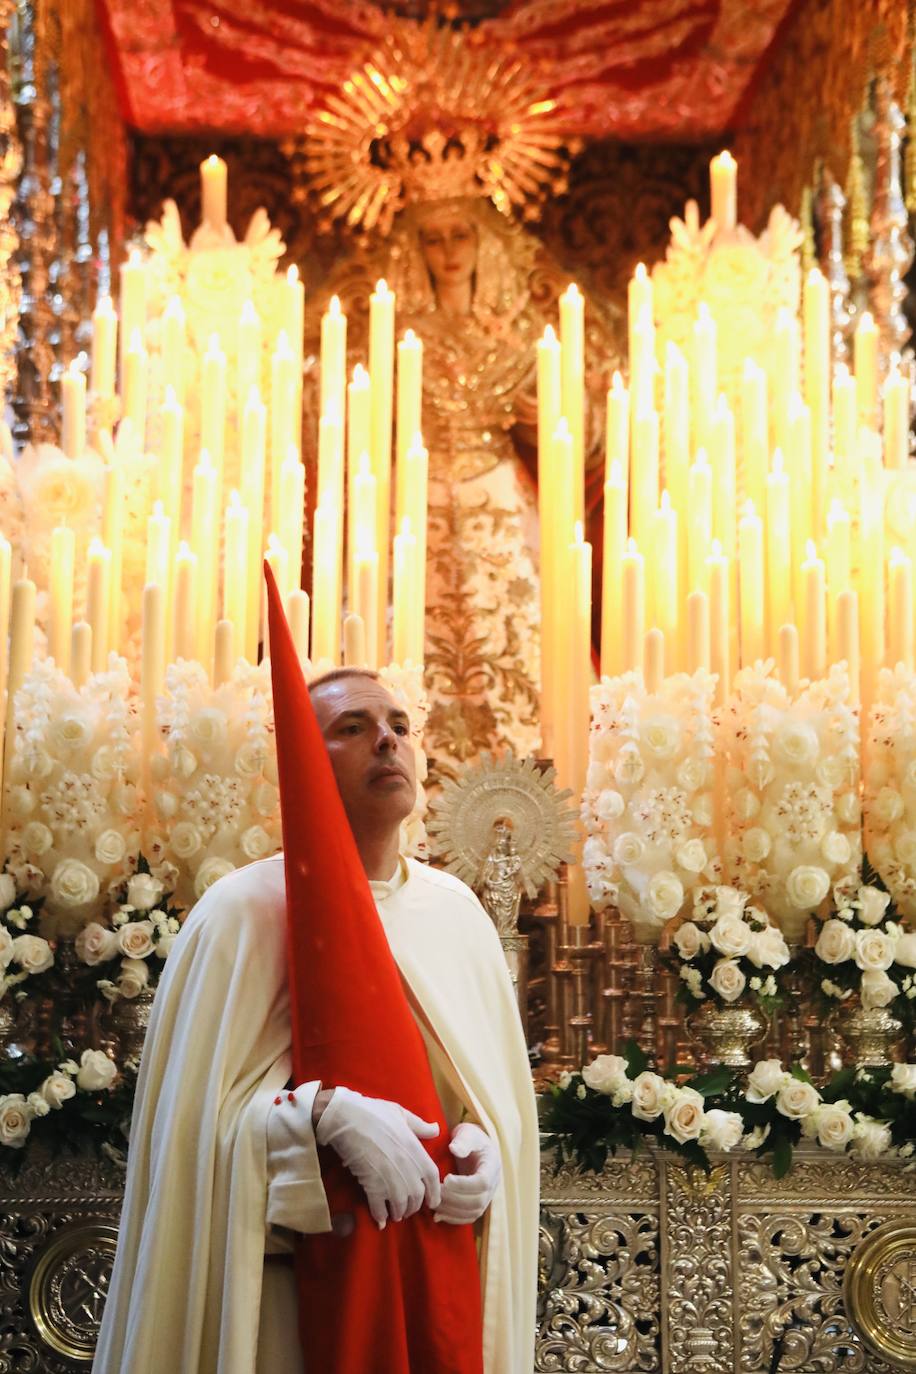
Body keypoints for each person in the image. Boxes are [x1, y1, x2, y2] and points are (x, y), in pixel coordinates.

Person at [93, 662, 539, 1373]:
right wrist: (319, 1118)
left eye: (399, 727)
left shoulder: (457, 915)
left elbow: (492, 1098)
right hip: (280, 1307)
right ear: (301, 760)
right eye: (352, 729)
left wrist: (487, 1149)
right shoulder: (241, 914)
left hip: (434, 1281)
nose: (387, 742)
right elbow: (186, 1139)